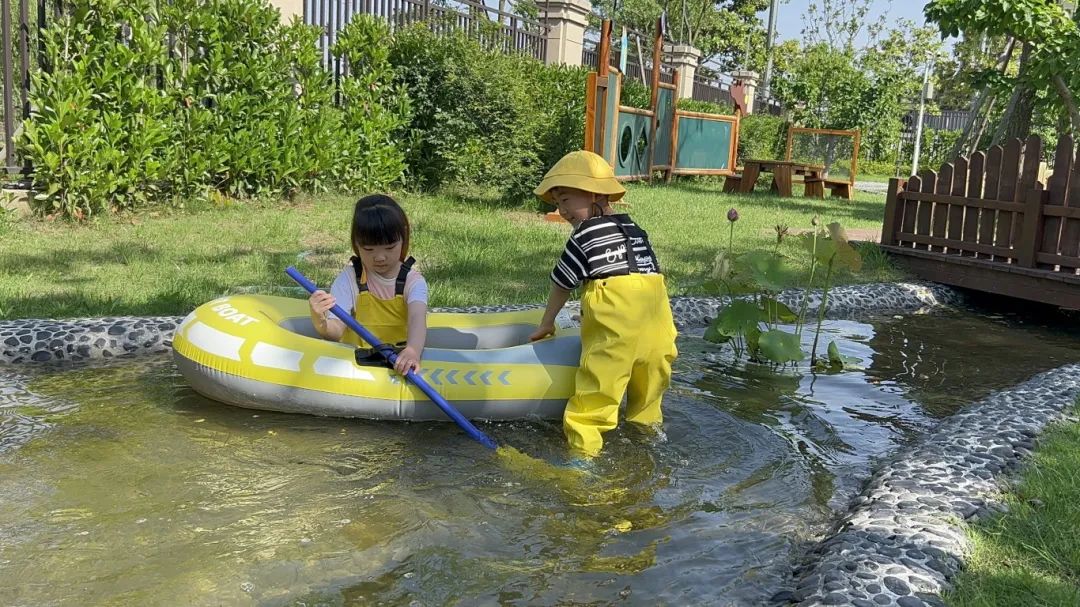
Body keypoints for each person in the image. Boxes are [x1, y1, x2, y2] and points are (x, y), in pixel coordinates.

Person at [529, 151, 678, 457]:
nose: (562, 210)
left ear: (595, 193)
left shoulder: (584, 235)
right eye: (558, 203)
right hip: (657, 333)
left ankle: (582, 463)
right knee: (648, 399)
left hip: (615, 337)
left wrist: (547, 323)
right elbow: (650, 278)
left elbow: (562, 283)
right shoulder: (636, 230)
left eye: (566, 200)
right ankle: (647, 448)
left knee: (593, 401)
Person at [307, 194, 428, 375]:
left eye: (389, 248)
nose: (380, 257)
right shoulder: (349, 279)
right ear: (356, 244)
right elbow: (336, 332)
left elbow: (417, 319)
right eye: (369, 249)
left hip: (398, 360)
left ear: (403, 238)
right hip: (357, 364)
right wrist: (320, 320)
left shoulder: (413, 281)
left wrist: (412, 351)